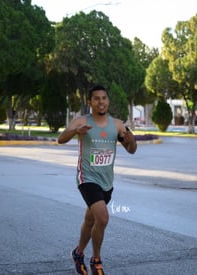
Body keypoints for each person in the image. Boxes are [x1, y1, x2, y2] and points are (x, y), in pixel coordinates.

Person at [58, 85, 137, 275]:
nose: (101, 102)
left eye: (104, 98)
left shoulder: (117, 125)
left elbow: (131, 149)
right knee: (103, 217)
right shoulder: (81, 121)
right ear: (90, 102)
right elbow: (61, 139)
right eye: (96, 98)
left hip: (106, 181)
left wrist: (131, 139)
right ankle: (96, 260)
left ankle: (78, 253)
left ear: (108, 101)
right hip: (87, 178)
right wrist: (77, 132)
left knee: (90, 219)